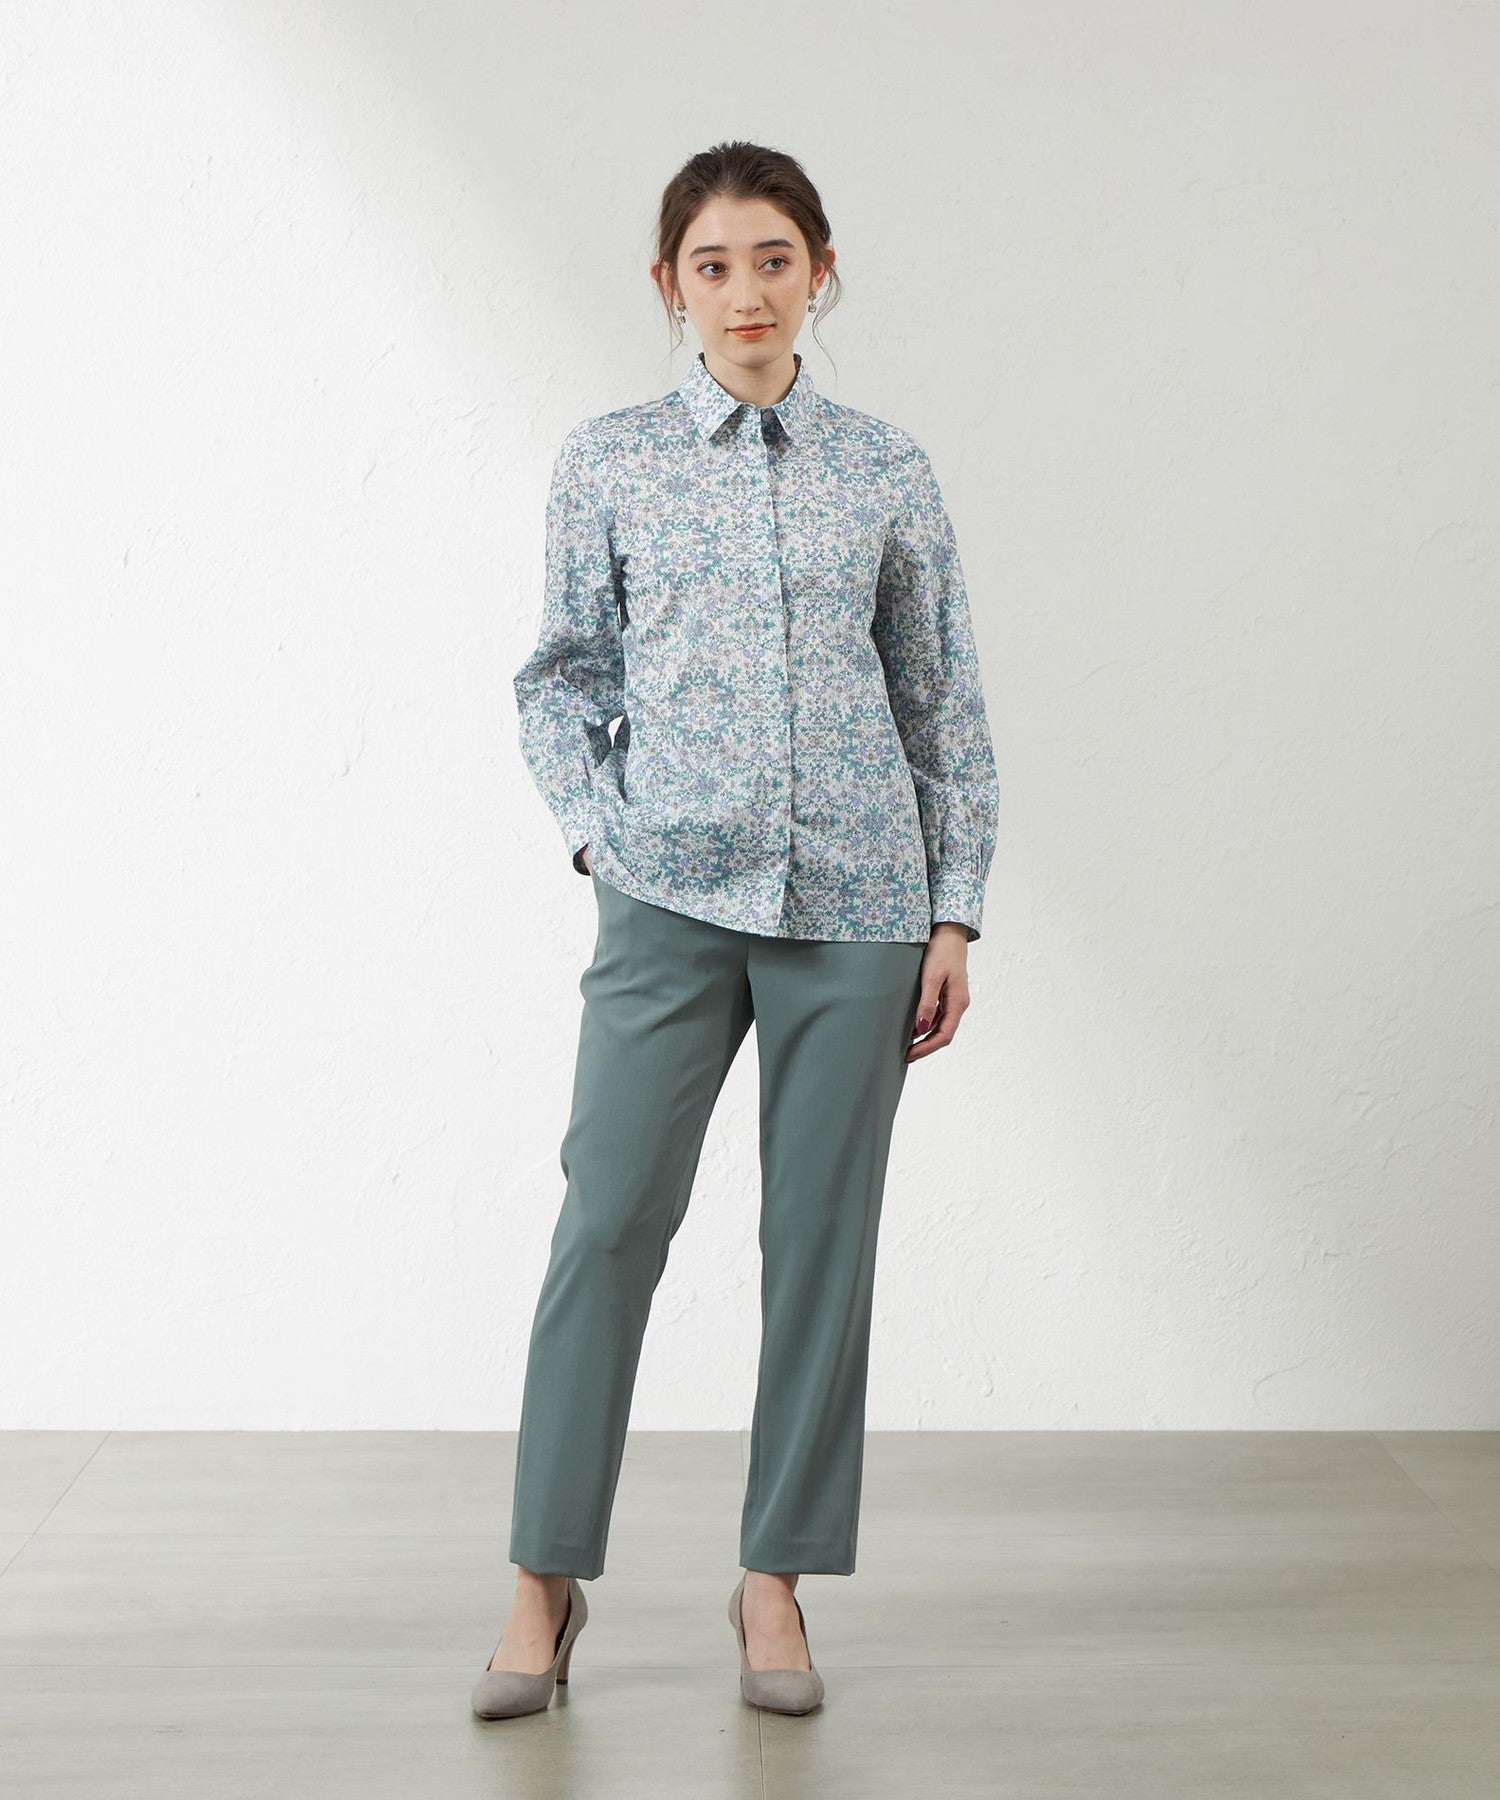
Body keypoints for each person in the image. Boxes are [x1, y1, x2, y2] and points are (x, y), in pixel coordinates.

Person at [472, 140, 1000, 1722]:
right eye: (715, 264)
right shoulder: (610, 462)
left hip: (860, 904)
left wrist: (954, 910)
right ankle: (542, 1580)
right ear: (671, 286)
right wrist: (599, 835)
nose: (747, 292)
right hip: (668, 896)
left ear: (818, 274)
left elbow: (941, 703)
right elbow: (560, 677)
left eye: (775, 260)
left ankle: (774, 1585)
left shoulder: (887, 469)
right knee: (609, 1221)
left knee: (821, 1245)